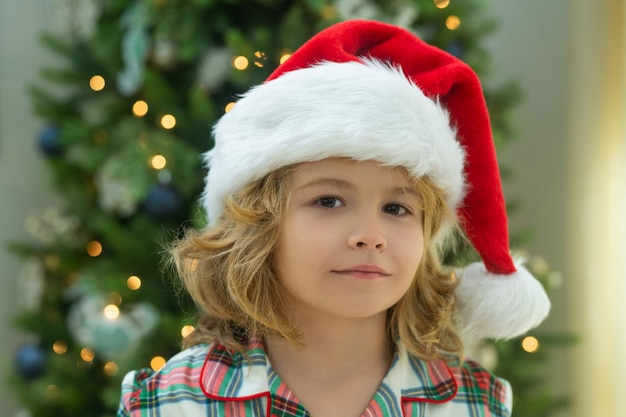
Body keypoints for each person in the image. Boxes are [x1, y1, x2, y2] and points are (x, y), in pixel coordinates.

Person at [117, 19, 550, 417]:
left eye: (396, 208)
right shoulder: (168, 402)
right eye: (328, 201)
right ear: (258, 224)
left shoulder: (474, 404)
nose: (370, 236)